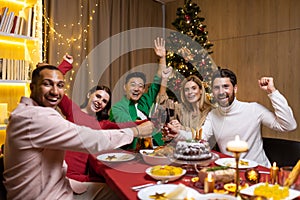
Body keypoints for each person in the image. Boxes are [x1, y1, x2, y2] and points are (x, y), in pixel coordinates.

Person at [3, 64, 153, 200]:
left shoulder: (98, 123)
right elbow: (92, 138)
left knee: (117, 188)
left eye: (60, 85)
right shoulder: (41, 116)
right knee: (123, 192)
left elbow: (120, 125)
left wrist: (146, 123)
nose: (55, 91)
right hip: (50, 194)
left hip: (62, 183)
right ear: (32, 86)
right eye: (47, 84)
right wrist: (136, 131)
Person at [56, 56, 149, 196]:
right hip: (64, 178)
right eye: (98, 96)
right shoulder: (72, 110)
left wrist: (150, 122)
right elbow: (54, 86)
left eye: (105, 101)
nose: (100, 102)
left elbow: (125, 126)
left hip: (81, 179)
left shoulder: (101, 124)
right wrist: (65, 64)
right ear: (89, 95)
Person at [175, 68, 297, 167]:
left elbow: (289, 125)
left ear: (235, 88)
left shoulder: (254, 109)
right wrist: (177, 133)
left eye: (226, 87)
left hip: (259, 171)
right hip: (230, 172)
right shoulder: (213, 115)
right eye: (217, 88)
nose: (221, 92)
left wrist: (272, 92)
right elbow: (199, 139)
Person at [109, 37, 172, 149]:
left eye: (140, 86)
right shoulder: (117, 108)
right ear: (125, 87)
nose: (137, 88)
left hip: (157, 148)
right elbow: (132, 125)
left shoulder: (145, 100)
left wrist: (162, 58)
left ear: (143, 90)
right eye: (133, 85)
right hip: (134, 151)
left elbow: (158, 79)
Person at [161, 74, 215, 142]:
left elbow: (203, 136)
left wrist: (181, 128)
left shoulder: (211, 111)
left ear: (201, 90)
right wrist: (172, 129)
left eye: (194, 88)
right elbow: (162, 104)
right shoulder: (180, 109)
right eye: (186, 90)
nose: (190, 92)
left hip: (206, 150)